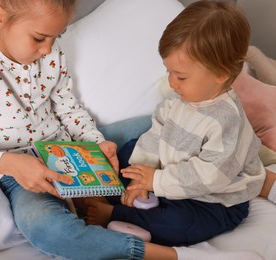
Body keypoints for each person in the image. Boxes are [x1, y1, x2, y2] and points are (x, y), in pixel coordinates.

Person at [0, 0, 265, 259]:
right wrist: (8, 165)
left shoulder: (50, 54)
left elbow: (67, 108)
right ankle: (159, 253)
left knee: (164, 123)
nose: (48, 49)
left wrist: (97, 142)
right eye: (40, 38)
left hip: (67, 148)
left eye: (55, 38)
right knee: (46, 228)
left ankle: (255, 174)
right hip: (18, 167)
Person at [84, 0, 268, 258]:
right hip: (170, 175)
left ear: (222, 73)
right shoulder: (179, 98)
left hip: (213, 200)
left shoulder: (226, 121)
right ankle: (123, 192)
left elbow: (208, 177)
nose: (172, 82)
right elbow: (156, 133)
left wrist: (155, 181)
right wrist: (141, 178)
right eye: (168, 72)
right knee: (129, 150)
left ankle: (116, 213)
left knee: (180, 225)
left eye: (180, 76)